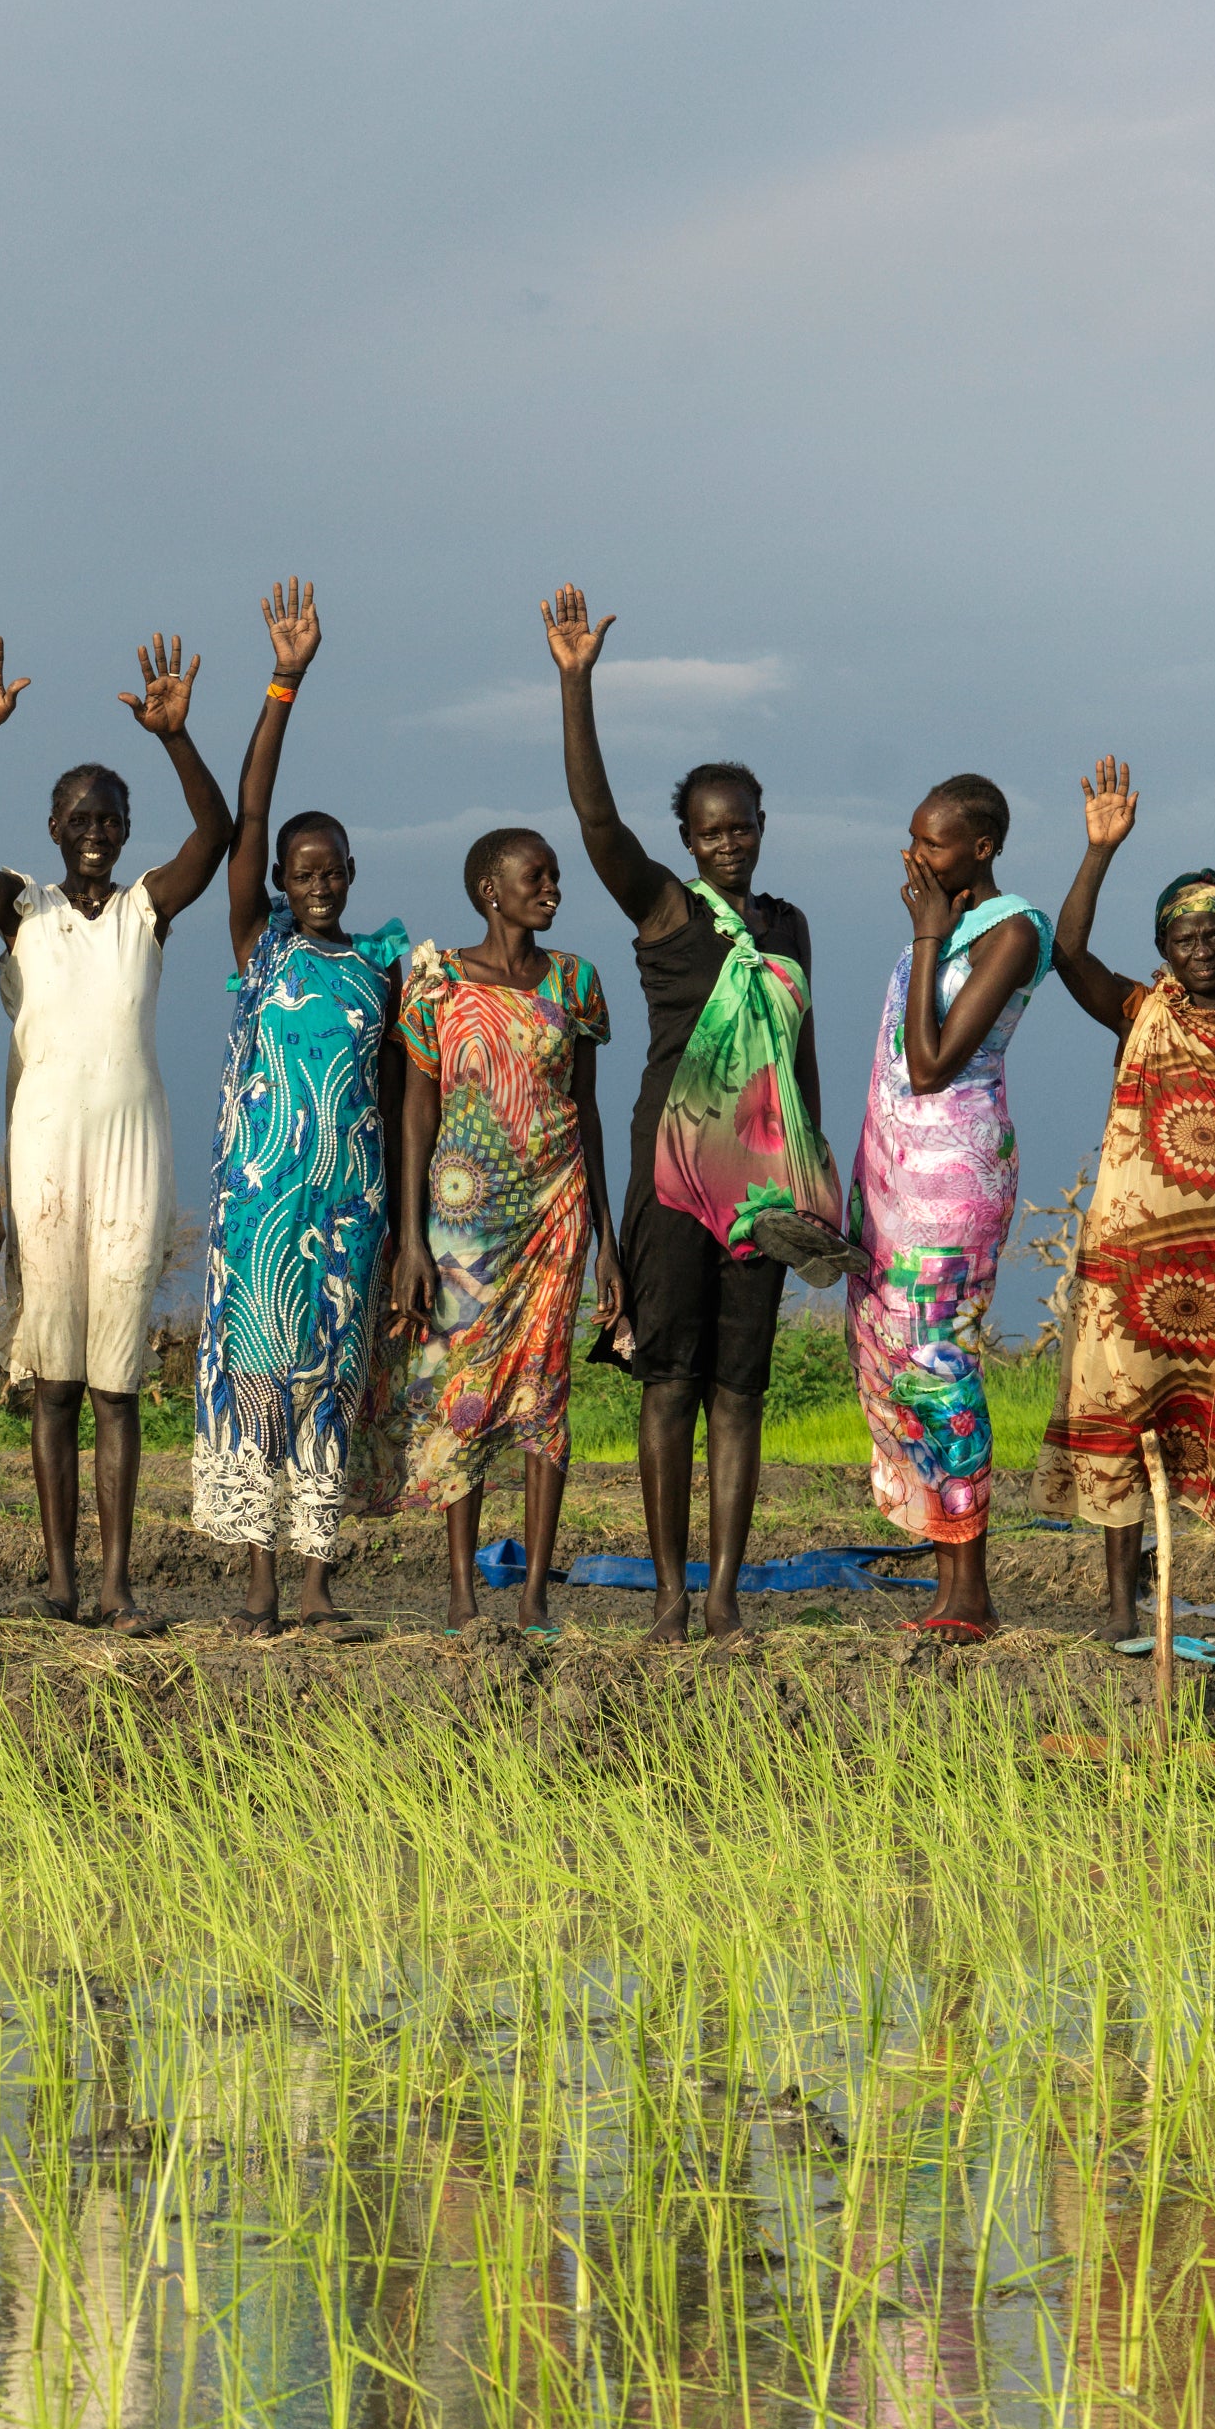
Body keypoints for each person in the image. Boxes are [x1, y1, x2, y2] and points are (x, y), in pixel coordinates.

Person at [546, 586, 836, 1640]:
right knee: (668, 1380)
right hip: (673, 1176)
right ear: (687, 837)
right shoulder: (667, 908)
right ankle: (668, 1596)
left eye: (742, 828)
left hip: (764, 1189)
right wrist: (577, 684)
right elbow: (593, 820)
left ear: (761, 829)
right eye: (709, 831)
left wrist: (819, 1179)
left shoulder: (790, 925)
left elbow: (799, 1063)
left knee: (741, 1390)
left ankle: (722, 1598)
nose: (728, 845)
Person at [0, 626, 234, 1626]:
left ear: (124, 828)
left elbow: (218, 836)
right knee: (56, 1377)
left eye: (108, 818)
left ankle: (117, 1585)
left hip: (130, 1157)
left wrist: (176, 737)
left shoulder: (142, 911)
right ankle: (63, 1580)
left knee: (117, 1377)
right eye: (78, 816)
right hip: (44, 1159)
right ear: (54, 823)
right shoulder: (21, 909)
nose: (94, 831)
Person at [1035, 761, 1215, 1654]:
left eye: (1212, 932)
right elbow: (1065, 949)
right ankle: (1121, 1612)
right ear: (1163, 944)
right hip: (1128, 1263)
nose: (1199, 948)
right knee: (1122, 1418)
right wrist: (1097, 850)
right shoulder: (1139, 1010)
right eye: (1182, 935)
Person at [193, 579, 410, 1634]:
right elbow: (246, 814)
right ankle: (259, 1589)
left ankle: (319, 1586)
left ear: (352, 876)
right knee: (258, 1379)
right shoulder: (260, 944)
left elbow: (402, 1096)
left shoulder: (382, 967)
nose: (318, 884)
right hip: (257, 1209)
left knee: (331, 1383)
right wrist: (285, 683)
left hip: (350, 1214)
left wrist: (405, 1225)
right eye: (301, 871)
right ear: (281, 878)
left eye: (333, 872)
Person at [388, 825, 614, 1629]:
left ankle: (532, 1597)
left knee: (543, 1397)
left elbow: (585, 1110)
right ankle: (458, 1592)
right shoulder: (437, 984)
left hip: (556, 1213)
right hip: (462, 1225)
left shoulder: (576, 982)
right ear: (490, 888)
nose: (551, 888)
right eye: (536, 876)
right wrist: (410, 1239)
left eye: (554, 876)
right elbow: (417, 1109)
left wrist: (606, 1248)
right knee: (464, 1394)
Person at [847, 776, 1050, 1639]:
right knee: (898, 1368)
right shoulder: (941, 929)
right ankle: (947, 1580)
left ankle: (968, 1588)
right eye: (910, 838)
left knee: (939, 1368)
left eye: (931, 845)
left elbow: (930, 1064)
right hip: (895, 1185)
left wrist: (927, 935)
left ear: (982, 846)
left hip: (951, 1186)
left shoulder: (1011, 930)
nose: (913, 859)